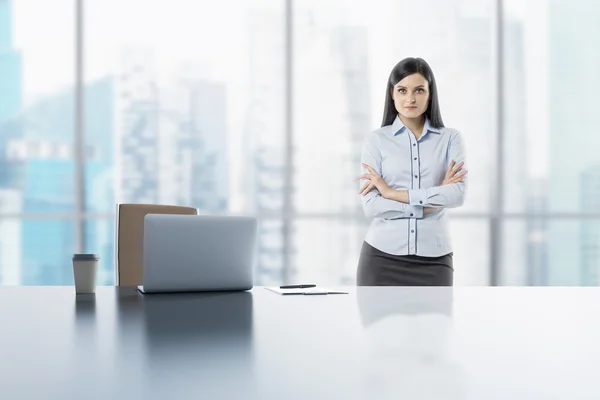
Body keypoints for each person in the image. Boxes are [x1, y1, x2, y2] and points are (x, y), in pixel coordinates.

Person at [356, 57, 468, 286]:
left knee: (436, 323)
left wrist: (391, 193)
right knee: (376, 324)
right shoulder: (376, 141)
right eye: (402, 90)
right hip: (380, 257)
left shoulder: (450, 139)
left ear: (430, 94)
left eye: (419, 90)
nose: (410, 98)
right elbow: (372, 206)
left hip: (435, 259)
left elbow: (456, 195)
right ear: (392, 94)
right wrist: (433, 200)